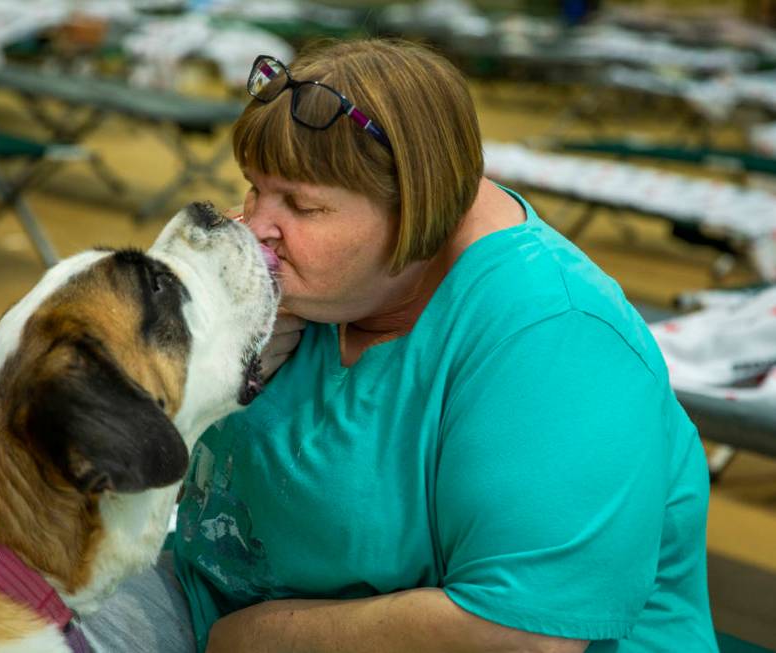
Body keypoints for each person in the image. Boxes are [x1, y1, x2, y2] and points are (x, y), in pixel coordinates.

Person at [81, 38, 719, 653]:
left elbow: (524, 634)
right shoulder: (320, 282)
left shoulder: (556, 337)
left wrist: (256, 638)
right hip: (207, 598)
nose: (254, 228)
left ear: (416, 211)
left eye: (300, 205)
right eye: (255, 186)